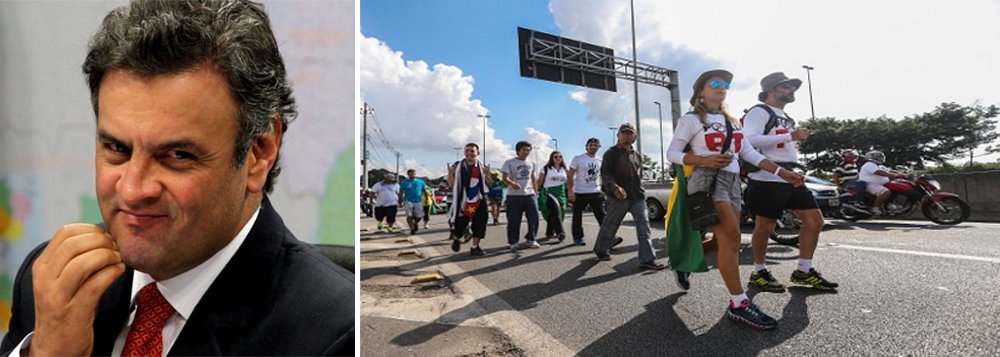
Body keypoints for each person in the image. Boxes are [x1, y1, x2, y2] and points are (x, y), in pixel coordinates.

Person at [0, 1, 354, 355]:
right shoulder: (50, 290)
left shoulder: (337, 335)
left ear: (259, 152)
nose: (133, 190)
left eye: (177, 156)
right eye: (118, 149)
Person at [667, 69, 805, 330]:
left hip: (732, 182)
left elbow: (750, 153)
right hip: (706, 179)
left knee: (724, 239)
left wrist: (782, 172)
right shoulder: (691, 119)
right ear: (701, 92)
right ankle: (739, 304)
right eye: (714, 83)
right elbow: (672, 153)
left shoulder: (733, 121)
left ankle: (683, 263)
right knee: (732, 237)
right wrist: (703, 159)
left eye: (725, 84)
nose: (721, 87)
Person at [743, 71, 839, 294]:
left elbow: (783, 145)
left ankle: (804, 270)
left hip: (791, 175)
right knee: (765, 226)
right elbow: (748, 141)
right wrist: (790, 136)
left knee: (815, 221)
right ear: (770, 91)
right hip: (767, 175)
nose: (791, 90)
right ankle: (759, 272)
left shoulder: (787, 118)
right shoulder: (759, 111)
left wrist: (796, 162)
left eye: (792, 87)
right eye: (785, 87)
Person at [593, 123, 666, 270]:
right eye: (623, 132)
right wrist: (615, 188)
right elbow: (605, 175)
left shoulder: (637, 155)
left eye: (629, 132)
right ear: (618, 135)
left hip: (637, 196)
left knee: (644, 227)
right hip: (617, 197)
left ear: (635, 137)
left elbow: (637, 175)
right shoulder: (610, 153)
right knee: (610, 226)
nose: (626, 135)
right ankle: (601, 250)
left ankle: (648, 259)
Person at [448, 143, 494, 256]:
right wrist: (450, 173)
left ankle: (475, 247)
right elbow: (451, 184)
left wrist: (487, 174)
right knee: (460, 223)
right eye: (467, 151)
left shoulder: (482, 167)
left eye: (472, 151)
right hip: (463, 200)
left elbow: (490, 184)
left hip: (479, 199)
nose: (469, 153)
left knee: (480, 224)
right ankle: (457, 238)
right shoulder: (457, 166)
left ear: (478, 153)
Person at [501, 141, 541, 251]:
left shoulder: (531, 163)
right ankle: (513, 242)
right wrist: (512, 183)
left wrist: (536, 192)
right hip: (514, 196)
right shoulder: (509, 162)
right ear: (518, 151)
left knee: (534, 218)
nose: (526, 152)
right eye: (524, 150)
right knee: (514, 220)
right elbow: (504, 177)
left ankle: (531, 239)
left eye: (528, 150)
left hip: (529, 195)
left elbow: (533, 178)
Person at [567, 138, 607, 246]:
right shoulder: (578, 158)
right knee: (577, 216)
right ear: (586, 146)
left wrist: (604, 190)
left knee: (601, 215)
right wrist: (570, 190)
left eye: (595, 145)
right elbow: (570, 175)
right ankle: (578, 237)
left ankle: (608, 237)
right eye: (591, 145)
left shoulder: (600, 160)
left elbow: (602, 176)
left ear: (599, 147)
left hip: (595, 191)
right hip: (580, 192)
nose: (593, 147)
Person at [858, 150, 907, 215]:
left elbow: (890, 171)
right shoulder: (869, 165)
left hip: (880, 184)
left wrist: (903, 174)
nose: (880, 158)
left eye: (880, 157)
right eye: (878, 157)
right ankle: (875, 208)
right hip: (869, 184)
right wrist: (894, 175)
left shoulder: (880, 166)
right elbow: (879, 172)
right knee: (886, 192)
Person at [537, 151, 569, 242]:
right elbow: (539, 181)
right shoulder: (546, 169)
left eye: (560, 157)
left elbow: (568, 182)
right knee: (555, 211)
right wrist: (535, 190)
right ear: (552, 158)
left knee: (559, 211)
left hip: (561, 193)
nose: (558, 158)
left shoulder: (564, 169)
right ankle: (560, 232)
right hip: (549, 193)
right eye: (555, 157)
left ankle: (549, 232)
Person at [832, 149, 870, 214]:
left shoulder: (854, 165)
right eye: (851, 156)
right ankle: (857, 202)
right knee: (862, 183)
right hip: (846, 183)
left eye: (854, 156)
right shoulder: (843, 165)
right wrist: (839, 186)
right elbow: (835, 176)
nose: (854, 157)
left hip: (853, 182)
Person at [399, 169, 427, 235]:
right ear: (408, 175)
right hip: (408, 201)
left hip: (418, 201)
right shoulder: (404, 182)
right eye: (411, 174)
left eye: (414, 174)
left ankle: (415, 223)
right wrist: (400, 202)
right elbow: (401, 193)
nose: (413, 175)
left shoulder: (420, 182)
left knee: (420, 216)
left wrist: (426, 199)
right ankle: (412, 229)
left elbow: (424, 190)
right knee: (409, 216)